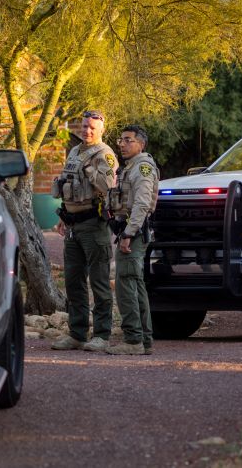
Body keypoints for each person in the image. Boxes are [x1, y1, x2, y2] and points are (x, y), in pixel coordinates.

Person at [50, 110, 118, 352]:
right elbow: (68, 184)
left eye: (92, 128)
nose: (87, 131)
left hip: (93, 225)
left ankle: (101, 334)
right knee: (73, 281)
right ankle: (77, 333)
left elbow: (107, 185)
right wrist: (64, 216)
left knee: (99, 282)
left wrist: (90, 170)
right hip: (72, 224)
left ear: (101, 131)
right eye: (85, 126)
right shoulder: (74, 151)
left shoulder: (105, 154)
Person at [106, 125, 158, 355]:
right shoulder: (131, 167)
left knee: (126, 286)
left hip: (133, 234)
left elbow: (142, 203)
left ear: (141, 144)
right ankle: (143, 340)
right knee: (135, 285)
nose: (122, 144)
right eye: (121, 140)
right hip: (129, 231)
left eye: (128, 140)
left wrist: (128, 233)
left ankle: (133, 340)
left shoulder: (143, 168)